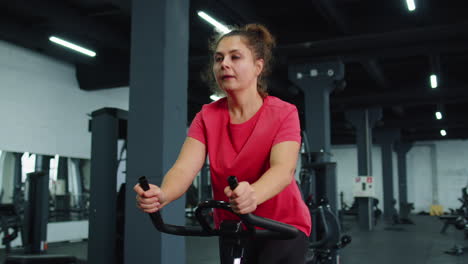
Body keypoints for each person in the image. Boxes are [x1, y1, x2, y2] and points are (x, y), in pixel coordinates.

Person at [134, 23, 311, 263]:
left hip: (282, 226)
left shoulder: (283, 113)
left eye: (235, 57)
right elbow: (185, 168)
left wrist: (253, 194)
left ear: (258, 66)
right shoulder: (207, 116)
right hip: (234, 227)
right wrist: (163, 193)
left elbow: (283, 169)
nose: (224, 64)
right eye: (219, 59)